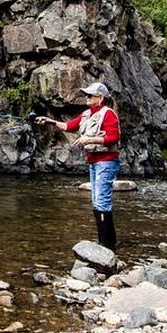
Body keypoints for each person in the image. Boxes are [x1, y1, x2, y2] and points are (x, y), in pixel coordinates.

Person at [35, 81, 120, 251]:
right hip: (94, 162)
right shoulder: (87, 114)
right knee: (96, 201)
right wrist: (49, 121)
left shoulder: (109, 114)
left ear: (100, 98)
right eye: (86, 95)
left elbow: (114, 137)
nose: (87, 98)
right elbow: (68, 126)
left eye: (90, 95)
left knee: (102, 202)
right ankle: (104, 243)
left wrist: (89, 139)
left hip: (106, 162)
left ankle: (107, 246)